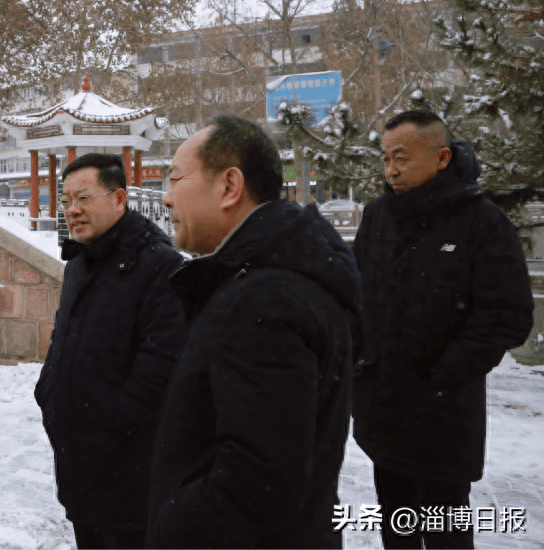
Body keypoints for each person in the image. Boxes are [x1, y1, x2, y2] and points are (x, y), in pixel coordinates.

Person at [147, 115, 360, 548]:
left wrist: (173, 527)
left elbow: (258, 485)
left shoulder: (264, 301)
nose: (166, 199)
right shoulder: (270, 277)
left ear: (229, 186)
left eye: (174, 180)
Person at [352, 110, 533, 549]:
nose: (390, 169)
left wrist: (441, 378)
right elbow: (356, 297)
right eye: (384, 158)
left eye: (401, 157)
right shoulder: (378, 217)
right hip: (383, 413)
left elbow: (507, 315)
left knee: (445, 530)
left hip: (442, 420)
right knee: (397, 528)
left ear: (442, 158)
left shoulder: (481, 222)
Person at [33, 153, 187, 549]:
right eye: (66, 200)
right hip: (78, 464)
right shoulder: (80, 262)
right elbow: (61, 340)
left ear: (119, 198)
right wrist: (48, 393)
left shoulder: (159, 265)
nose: (73, 210)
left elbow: (162, 367)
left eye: (83, 198)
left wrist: (116, 422)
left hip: (130, 475)